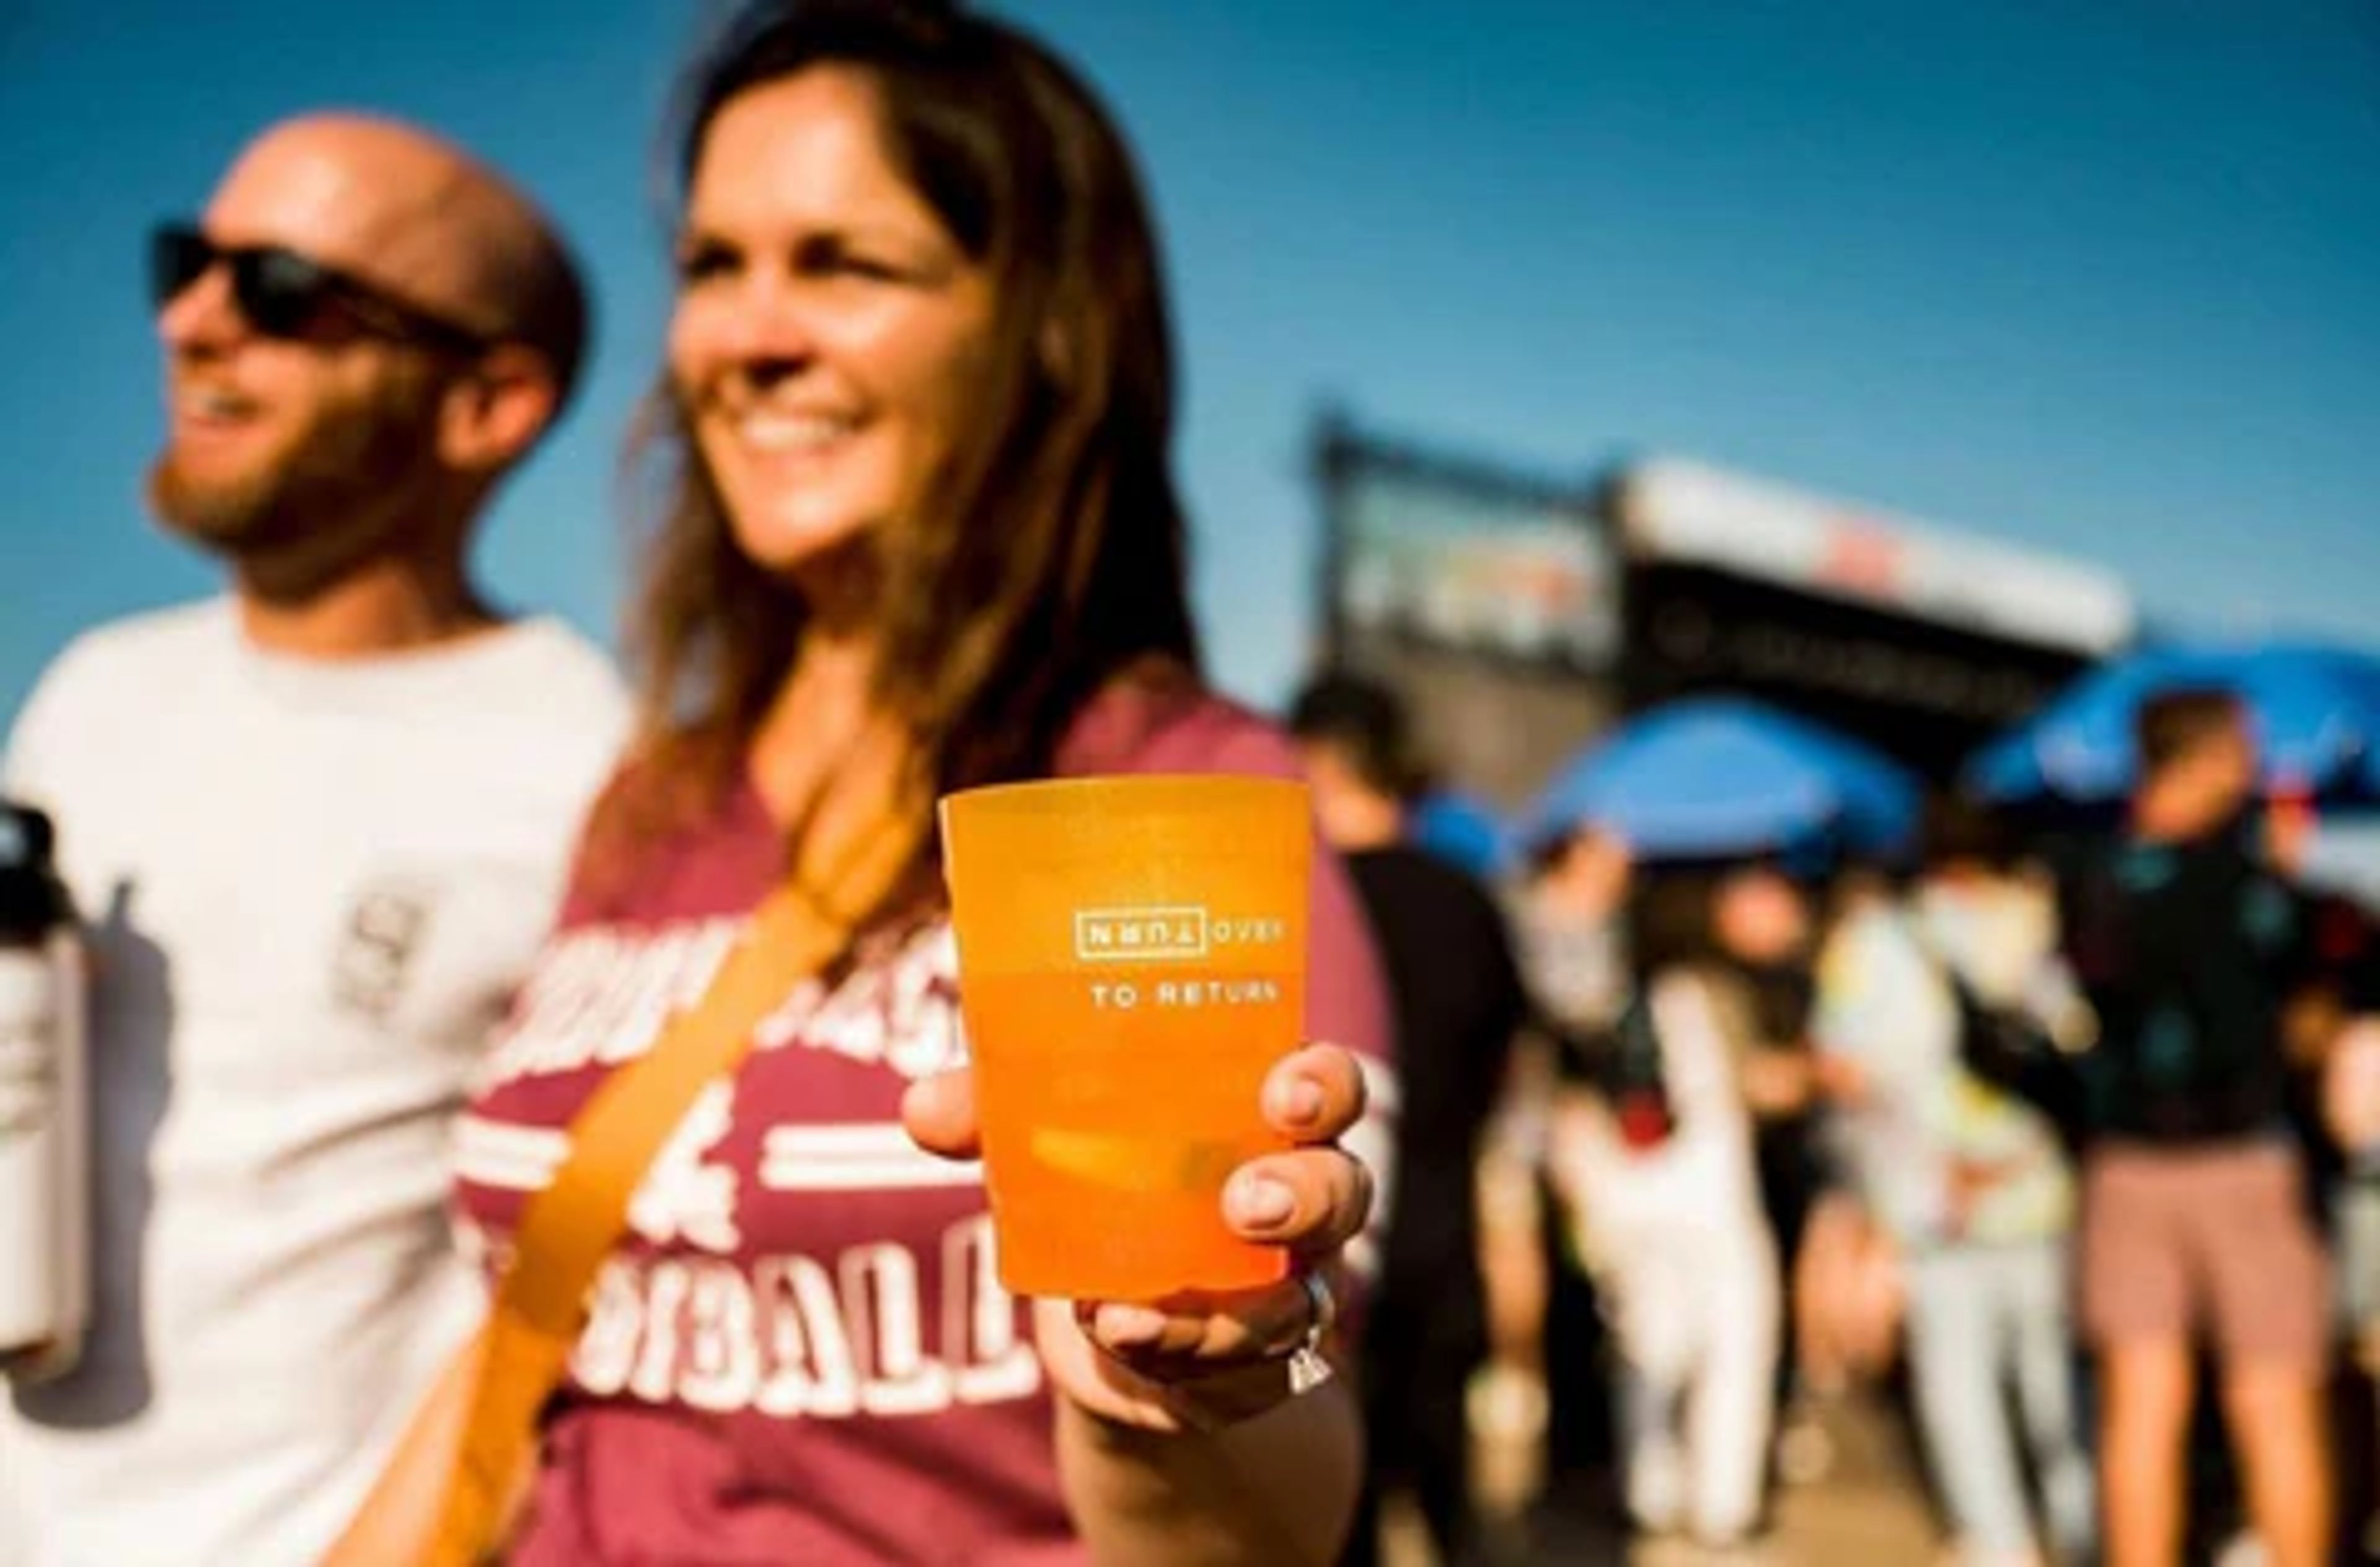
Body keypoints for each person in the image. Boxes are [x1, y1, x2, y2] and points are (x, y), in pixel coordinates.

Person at [329, 4, 1393, 1562]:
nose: (748, 335)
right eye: (712, 264)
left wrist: (1162, 1395)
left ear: (1040, 326)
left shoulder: (1172, 797)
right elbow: (527, 1353)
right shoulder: (656, 797)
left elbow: (1270, 1514)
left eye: (844, 264)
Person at [0, 114, 627, 1566]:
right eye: (189, 263)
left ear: (488, 404)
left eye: (280, 289)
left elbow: (571, 1300)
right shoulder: (94, 692)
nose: (193, 320)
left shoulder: (589, 770)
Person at [2061, 687, 2335, 1567]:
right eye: (2246, 747)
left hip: (2127, 1165)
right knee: (2273, 1400)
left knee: (2142, 1407)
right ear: (2207, 757)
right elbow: (2293, 1008)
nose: (2257, 765)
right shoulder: (2248, 882)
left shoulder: (2092, 875)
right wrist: (2283, 880)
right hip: (2242, 1162)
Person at [1813, 806, 2094, 1566]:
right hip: (2036, 1188)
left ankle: (2000, 1541)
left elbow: (1841, 1071)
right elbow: (2079, 1050)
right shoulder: (2038, 927)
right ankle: (2084, 1524)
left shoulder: (1871, 942)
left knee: (1959, 1380)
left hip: (1928, 1197)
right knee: (2055, 1376)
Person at [1289, 673, 1528, 1567]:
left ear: (1312, 762)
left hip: (1324, 1256)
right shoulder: (1469, 901)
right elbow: (1503, 1071)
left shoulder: (1306, 906)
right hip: (1444, 1240)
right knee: (1449, 1501)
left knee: (1336, 1516)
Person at [1548, 859, 1817, 1548]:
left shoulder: (1610, 996)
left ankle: (1649, 1487)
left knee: (1649, 1347)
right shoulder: (1711, 993)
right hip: (1712, 1194)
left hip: (1631, 1195)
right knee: (1736, 1344)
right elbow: (1759, 1084)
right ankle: (1723, 1501)